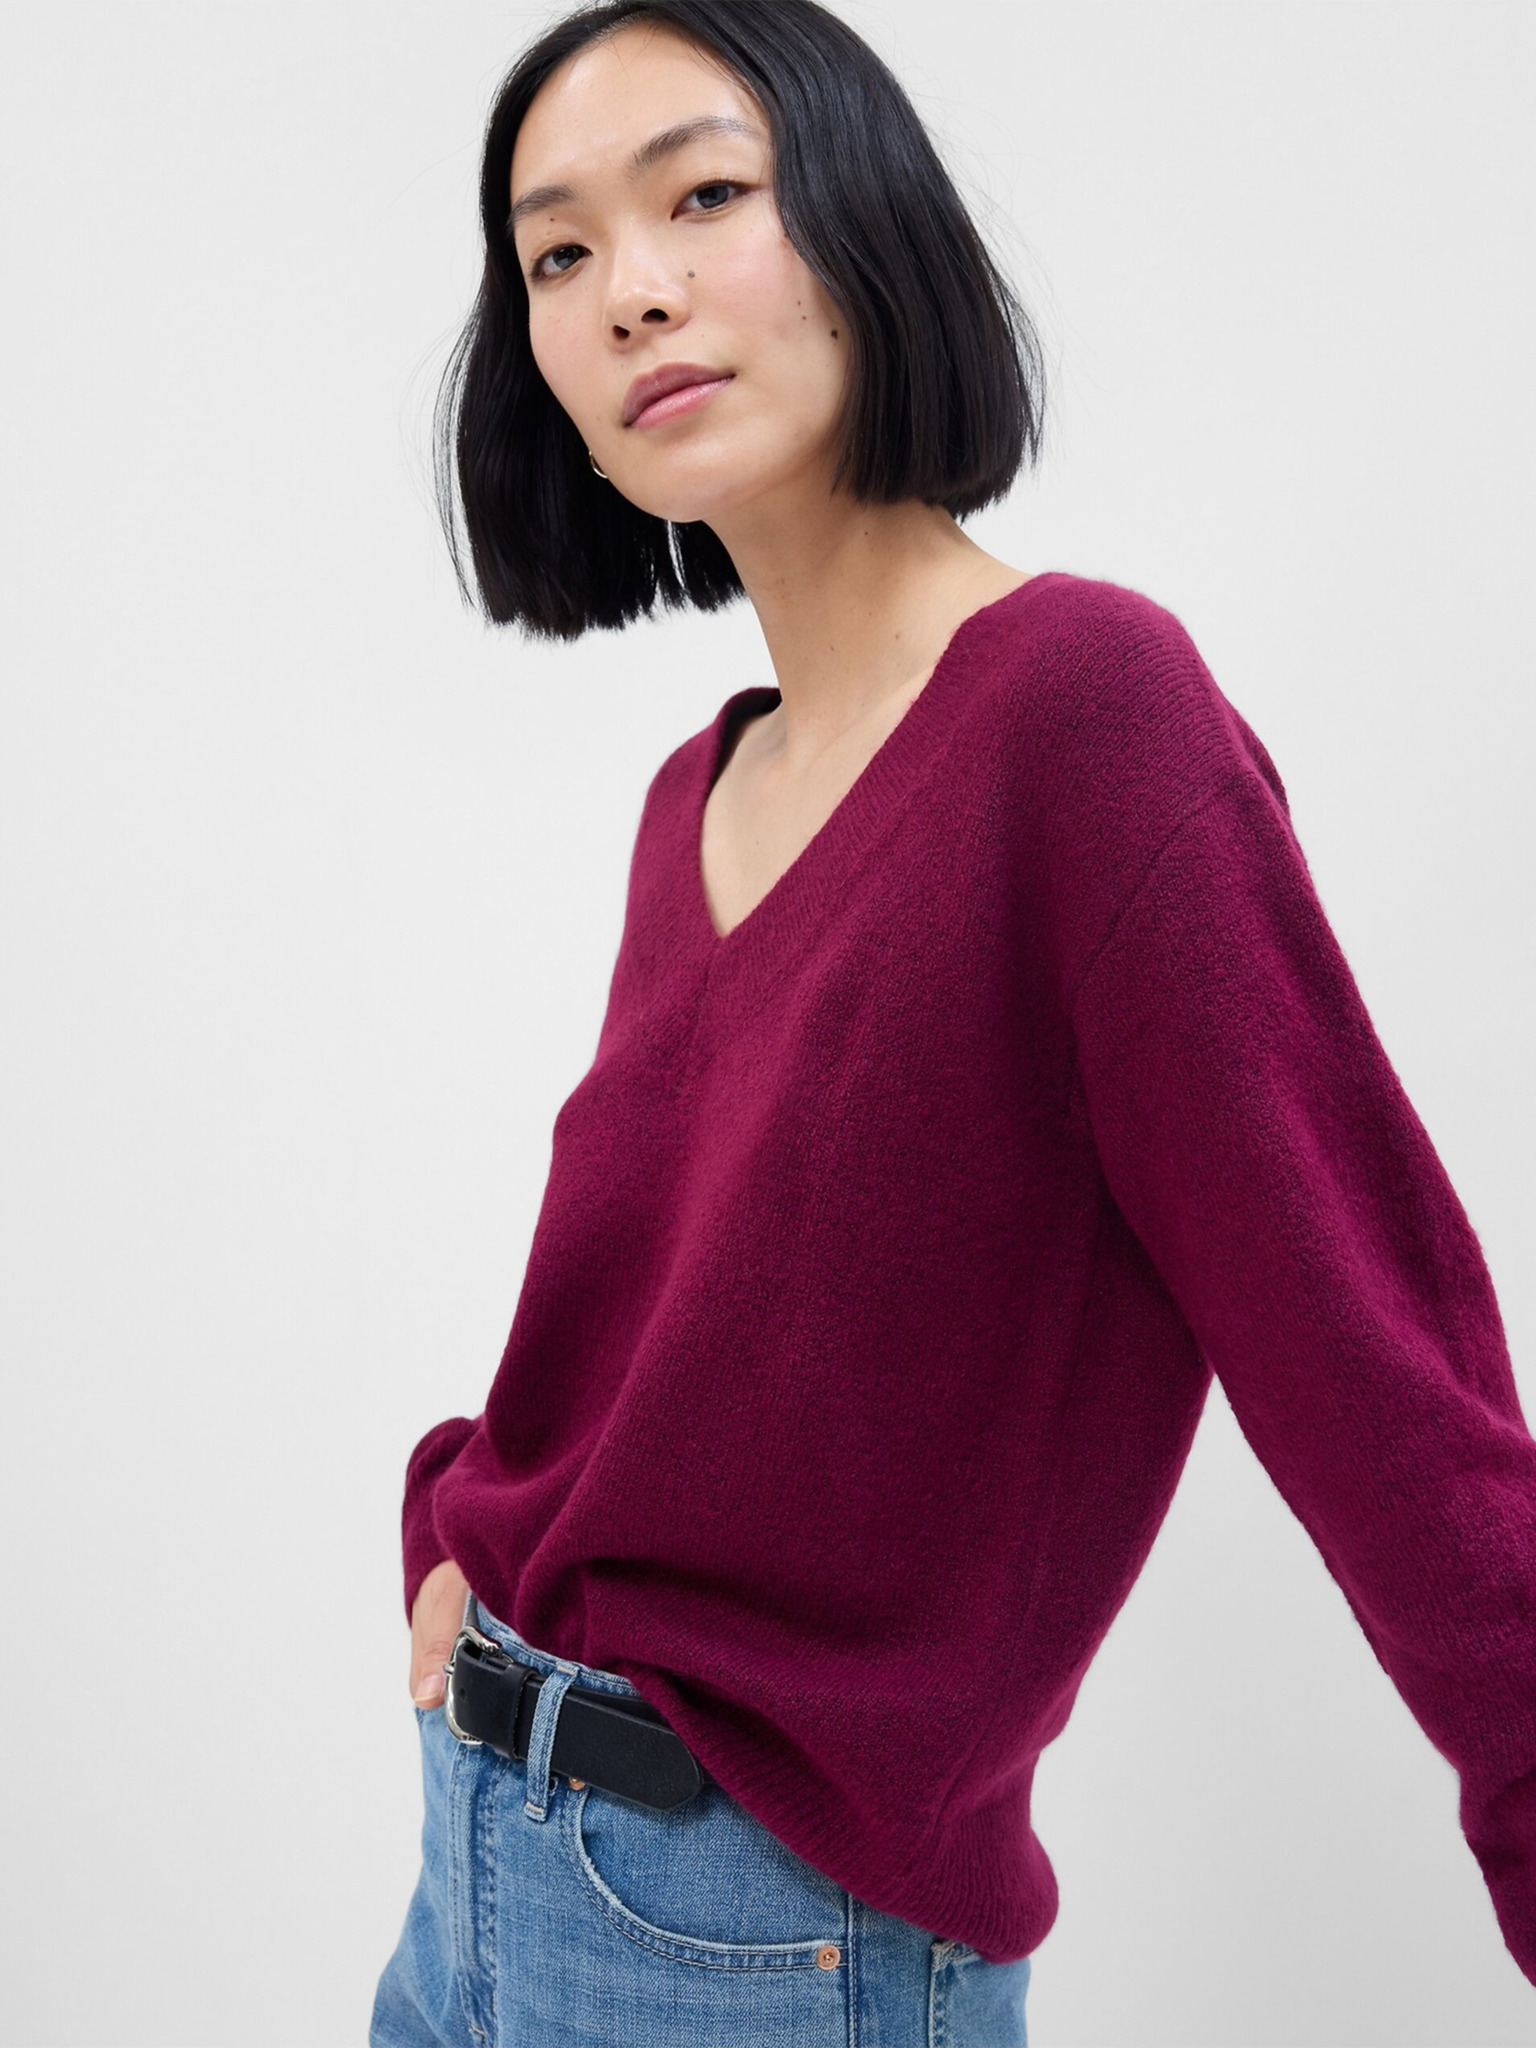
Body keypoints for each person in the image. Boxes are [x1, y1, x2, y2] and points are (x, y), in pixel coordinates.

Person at [370, 4, 1536, 2044]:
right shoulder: (703, 790)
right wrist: (457, 1530)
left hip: (748, 1939)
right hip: (477, 1865)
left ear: (865, 217)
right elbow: (648, 1334)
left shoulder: (1087, 714)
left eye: (703, 197)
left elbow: (1377, 1365)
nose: (628, 288)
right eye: (557, 252)